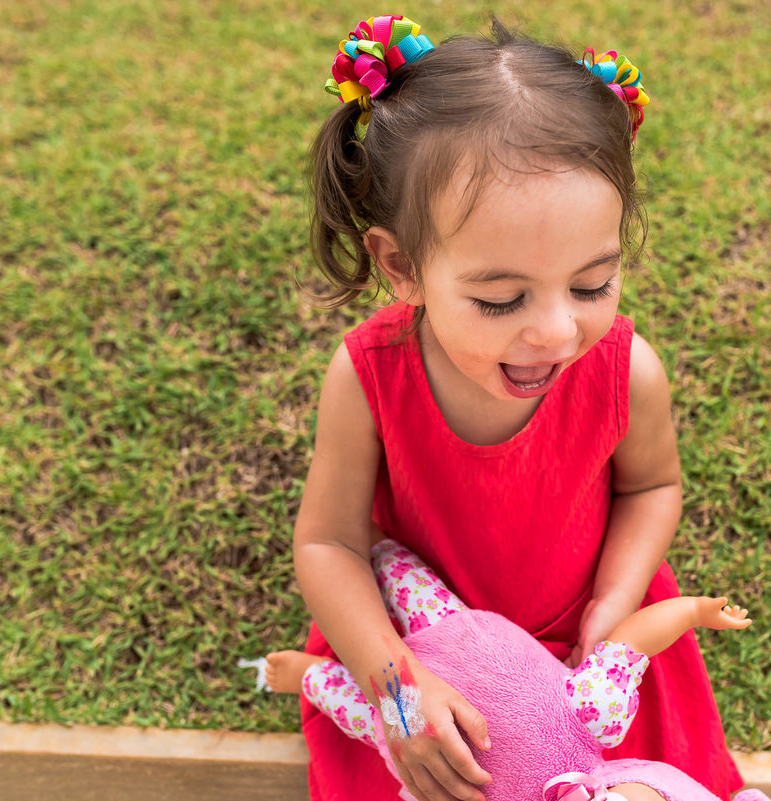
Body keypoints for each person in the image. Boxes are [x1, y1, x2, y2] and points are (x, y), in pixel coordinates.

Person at [292, 13, 747, 801]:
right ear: (401, 265)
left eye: (592, 284)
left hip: (580, 650)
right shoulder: (368, 376)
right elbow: (329, 542)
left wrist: (613, 605)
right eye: (501, 299)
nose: (558, 331)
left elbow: (651, 486)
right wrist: (396, 691)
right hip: (421, 657)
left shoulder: (624, 371)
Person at [265, 539, 769, 801]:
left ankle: (306, 676)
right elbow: (630, 643)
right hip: (462, 644)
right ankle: (374, 548)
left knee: (358, 709)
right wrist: (691, 611)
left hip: (416, 737)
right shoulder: (597, 713)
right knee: (401, 576)